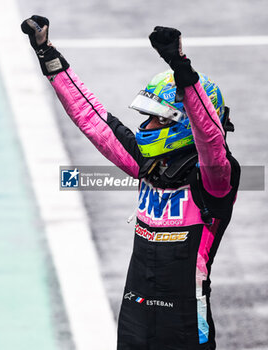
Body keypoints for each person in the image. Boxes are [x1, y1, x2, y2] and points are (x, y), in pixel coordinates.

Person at [21, 16, 240, 350]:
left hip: (183, 326)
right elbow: (92, 119)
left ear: (181, 122)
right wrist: (48, 56)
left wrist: (182, 68)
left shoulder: (214, 177)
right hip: (135, 319)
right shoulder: (146, 163)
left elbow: (209, 138)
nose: (148, 125)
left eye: (158, 117)